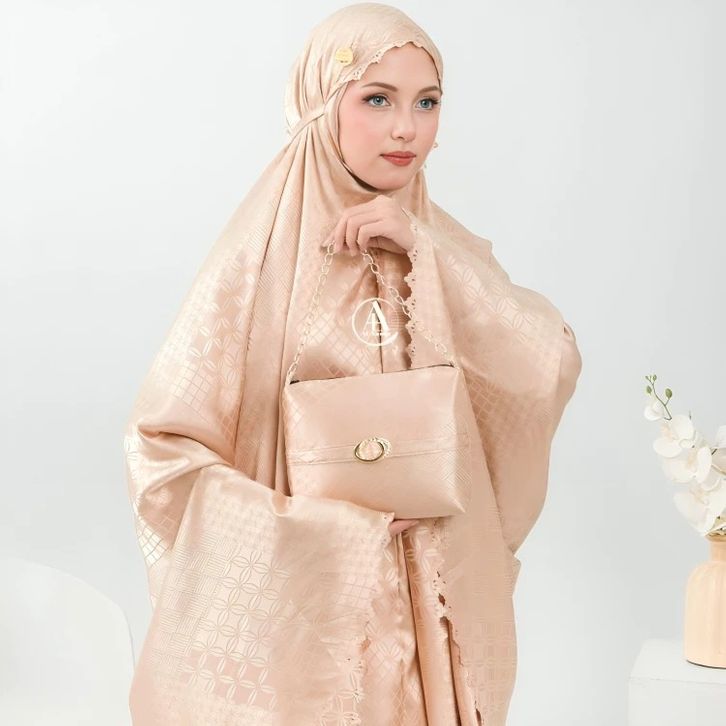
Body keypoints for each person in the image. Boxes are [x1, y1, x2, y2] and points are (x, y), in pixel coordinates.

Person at [122, 3, 582, 725]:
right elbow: (161, 452)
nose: (407, 129)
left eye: (427, 103)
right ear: (319, 103)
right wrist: (316, 531)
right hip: (310, 615)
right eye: (377, 99)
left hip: (429, 603)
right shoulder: (255, 263)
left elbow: (547, 363)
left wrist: (426, 252)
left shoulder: (440, 245)